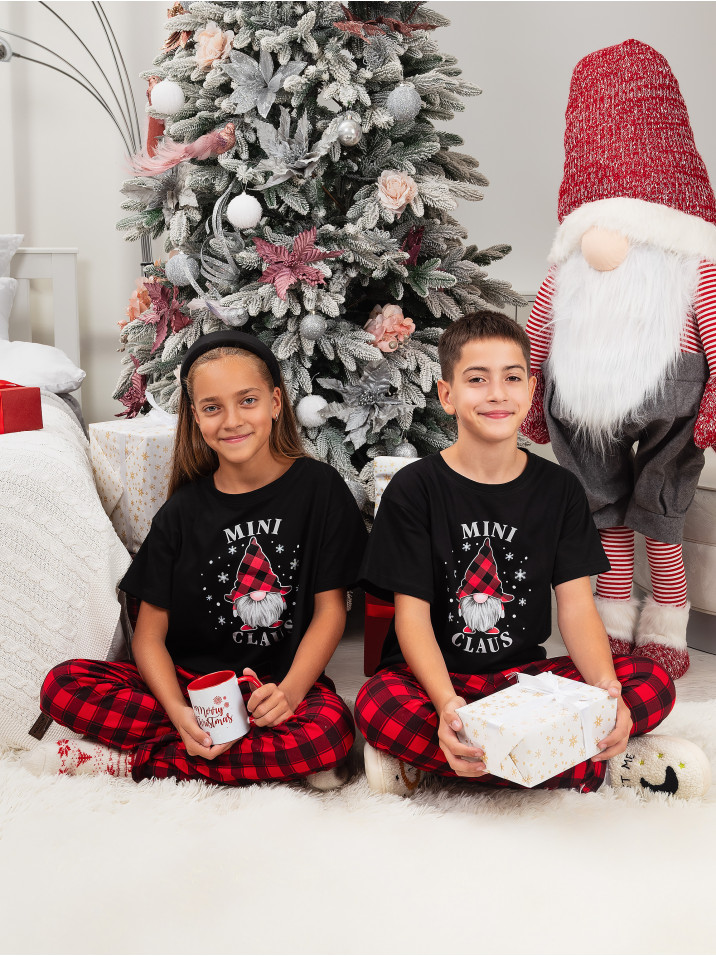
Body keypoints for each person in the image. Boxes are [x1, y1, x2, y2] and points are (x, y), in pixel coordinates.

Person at [355, 311, 710, 799]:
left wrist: (607, 693)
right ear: (447, 395)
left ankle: (447, 763)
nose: (497, 393)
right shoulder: (414, 488)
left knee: (650, 679)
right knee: (377, 705)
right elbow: (410, 618)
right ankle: (599, 767)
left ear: (531, 390)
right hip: (435, 680)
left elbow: (577, 607)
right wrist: (446, 705)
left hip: (524, 685)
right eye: (477, 379)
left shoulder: (560, 489)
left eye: (512, 378)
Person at [33, 330, 367, 789]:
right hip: (187, 687)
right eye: (212, 408)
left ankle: (133, 763)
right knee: (63, 685)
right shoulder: (181, 512)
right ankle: (218, 750)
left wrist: (290, 694)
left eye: (247, 401)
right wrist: (178, 712)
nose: (232, 420)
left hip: (275, 688)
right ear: (195, 416)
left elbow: (330, 611)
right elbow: (149, 637)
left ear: (275, 402)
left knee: (328, 734)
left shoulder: (320, 489)